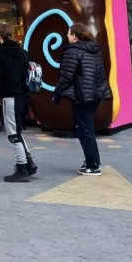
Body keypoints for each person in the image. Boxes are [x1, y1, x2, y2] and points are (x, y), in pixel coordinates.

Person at [53, 22, 113, 176]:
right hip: (96, 95)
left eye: (68, 33)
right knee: (87, 127)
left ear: (75, 36)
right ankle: (92, 160)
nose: (66, 35)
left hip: (81, 96)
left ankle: (93, 165)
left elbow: (66, 76)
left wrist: (57, 92)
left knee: (84, 129)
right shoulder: (94, 50)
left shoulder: (72, 52)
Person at [0, 23, 38, 182]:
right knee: (17, 131)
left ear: (0, 38)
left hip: (10, 98)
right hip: (22, 97)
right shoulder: (23, 53)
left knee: (13, 134)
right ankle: (28, 162)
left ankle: (22, 167)